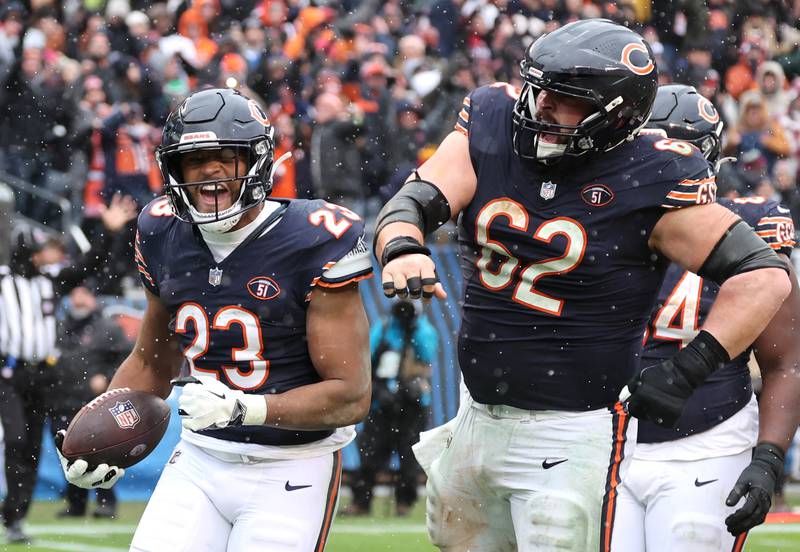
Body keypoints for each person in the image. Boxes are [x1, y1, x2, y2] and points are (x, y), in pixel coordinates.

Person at [374, 19, 791, 552]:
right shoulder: (494, 120)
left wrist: (692, 368)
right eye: (537, 87)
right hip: (475, 415)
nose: (540, 105)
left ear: (616, 113)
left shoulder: (652, 174)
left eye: (562, 97)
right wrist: (403, 244)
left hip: (569, 432)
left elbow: (763, 275)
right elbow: (417, 196)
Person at [57, 88, 373, 552]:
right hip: (201, 457)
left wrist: (247, 408)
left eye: (226, 157)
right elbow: (151, 363)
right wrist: (104, 428)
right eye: (195, 159)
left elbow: (350, 395)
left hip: (292, 465)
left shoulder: (314, 239)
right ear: (172, 168)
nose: (209, 171)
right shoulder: (162, 231)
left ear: (258, 161)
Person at [612, 84, 800, 551]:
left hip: (706, 438)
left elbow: (786, 359)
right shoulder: (597, 215)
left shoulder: (752, 223)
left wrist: (769, 457)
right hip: (594, 439)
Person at [0, 194, 137, 544]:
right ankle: (12, 510)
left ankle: (14, 516)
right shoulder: (4, 281)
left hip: (41, 375)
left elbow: (88, 265)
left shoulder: (48, 280)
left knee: (29, 447)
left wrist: (107, 232)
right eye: (43, 251)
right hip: (9, 374)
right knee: (16, 441)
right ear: (27, 253)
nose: (50, 256)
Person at [348, 300, 438, 517]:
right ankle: (361, 502)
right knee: (370, 452)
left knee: (409, 455)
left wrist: (413, 330)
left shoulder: (424, 330)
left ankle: (404, 502)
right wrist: (378, 390)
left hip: (412, 406)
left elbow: (426, 358)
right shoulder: (385, 326)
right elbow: (368, 359)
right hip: (382, 404)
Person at [51, 286, 130, 520]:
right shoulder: (60, 327)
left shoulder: (107, 327)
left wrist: (106, 377)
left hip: (94, 405)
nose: (78, 299)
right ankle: (75, 504)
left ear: (94, 297)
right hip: (62, 400)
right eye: (74, 294)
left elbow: (127, 358)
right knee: (68, 454)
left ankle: (107, 502)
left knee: (101, 454)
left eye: (84, 294)